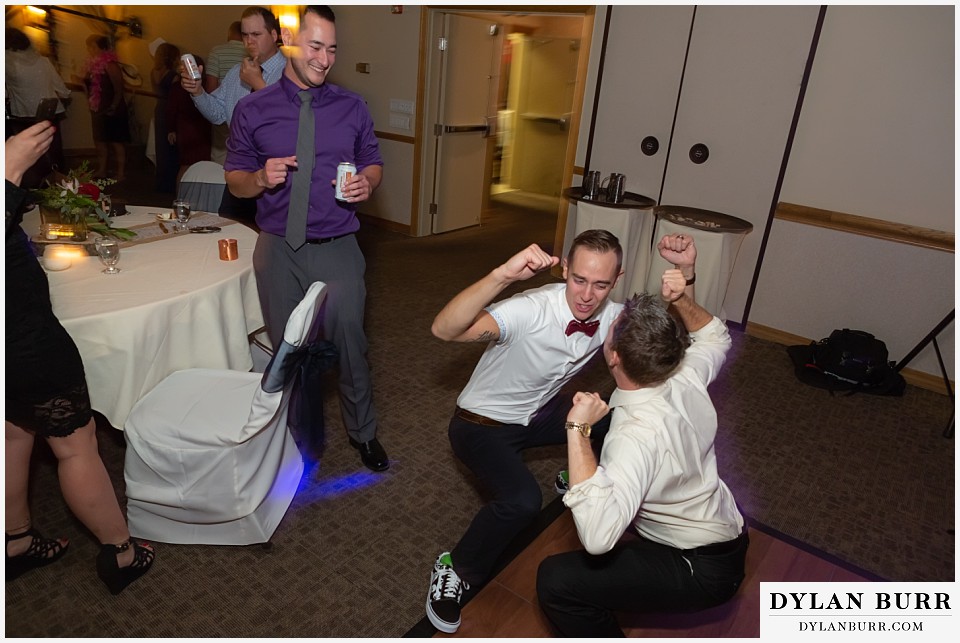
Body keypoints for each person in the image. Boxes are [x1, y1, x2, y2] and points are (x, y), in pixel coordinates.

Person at [536, 233, 748, 637]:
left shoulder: (634, 436)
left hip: (700, 567)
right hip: (723, 530)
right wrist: (682, 293)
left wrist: (577, 430)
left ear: (614, 356)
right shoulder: (685, 372)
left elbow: (598, 537)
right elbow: (716, 337)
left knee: (556, 580)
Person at [425, 229, 625, 634]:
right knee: (521, 501)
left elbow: (666, 346)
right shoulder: (529, 309)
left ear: (615, 282)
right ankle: (455, 568)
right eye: (579, 279)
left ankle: (577, 475)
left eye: (600, 284)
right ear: (564, 269)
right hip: (480, 424)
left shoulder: (614, 315)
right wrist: (502, 275)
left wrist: (686, 276)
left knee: (616, 417)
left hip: (536, 413)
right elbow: (443, 330)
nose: (587, 295)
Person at [223, 6, 389, 472]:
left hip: (337, 245)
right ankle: (299, 436)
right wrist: (259, 176)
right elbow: (234, 181)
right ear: (290, 42)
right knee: (287, 351)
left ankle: (363, 433)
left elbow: (372, 161)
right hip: (278, 248)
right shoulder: (252, 109)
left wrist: (368, 183)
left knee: (351, 345)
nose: (324, 59)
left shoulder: (352, 107)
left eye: (332, 48)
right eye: (315, 46)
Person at [5, 121, 155, 594]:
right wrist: (7, 173)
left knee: (12, 431)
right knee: (74, 443)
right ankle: (122, 552)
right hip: (22, 334)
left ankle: (16, 541)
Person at [181, 6, 286, 223]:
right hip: (240, 171)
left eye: (256, 34)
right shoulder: (236, 72)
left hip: (275, 176)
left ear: (274, 35)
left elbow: (285, 121)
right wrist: (198, 91)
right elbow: (218, 113)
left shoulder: (290, 72)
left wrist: (258, 84)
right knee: (231, 231)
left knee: (268, 245)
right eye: (245, 35)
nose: (249, 41)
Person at [5, 27, 72, 185]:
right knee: (54, 153)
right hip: (49, 112)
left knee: (30, 158)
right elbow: (61, 88)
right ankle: (62, 191)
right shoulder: (43, 61)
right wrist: (67, 95)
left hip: (24, 116)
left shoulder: (7, 64)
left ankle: (34, 194)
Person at [76, 34, 129, 182]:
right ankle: (102, 169)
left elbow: (119, 88)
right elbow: (89, 86)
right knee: (100, 140)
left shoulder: (111, 65)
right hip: (98, 108)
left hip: (112, 108)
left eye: (93, 46)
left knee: (116, 141)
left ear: (102, 47)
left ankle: (120, 173)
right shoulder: (92, 65)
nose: (90, 49)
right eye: (89, 46)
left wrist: (113, 105)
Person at [204, 21, 246, 164]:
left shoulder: (217, 52)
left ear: (230, 34)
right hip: (244, 114)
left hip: (223, 109)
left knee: (220, 158)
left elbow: (211, 86)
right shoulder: (250, 54)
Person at [167, 55, 213, 187]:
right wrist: (171, 129)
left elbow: (171, 109)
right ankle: (182, 196)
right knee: (189, 165)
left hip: (194, 128)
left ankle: (183, 196)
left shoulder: (198, 86)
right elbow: (171, 109)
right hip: (193, 128)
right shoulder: (202, 85)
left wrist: (171, 128)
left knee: (188, 165)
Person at [151, 42, 181, 193]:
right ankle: (170, 183)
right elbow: (175, 96)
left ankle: (161, 181)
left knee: (160, 145)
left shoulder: (154, 72)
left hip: (159, 108)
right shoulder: (174, 76)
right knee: (171, 147)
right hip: (169, 108)